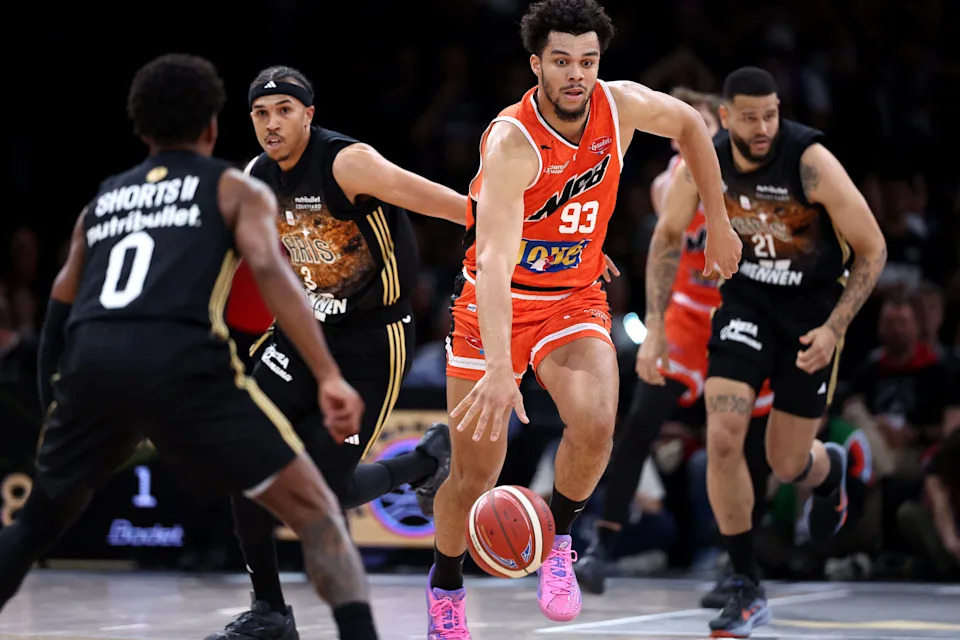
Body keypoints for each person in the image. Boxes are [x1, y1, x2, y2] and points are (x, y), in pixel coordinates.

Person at [0, 53, 380, 640]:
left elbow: (59, 306)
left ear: (141, 129)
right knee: (317, 514)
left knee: (31, 530)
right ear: (210, 126)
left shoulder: (101, 200)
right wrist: (328, 374)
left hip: (92, 365)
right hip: (183, 365)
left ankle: (268, 611)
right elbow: (274, 276)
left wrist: (58, 398)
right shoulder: (234, 187)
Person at [428, 1, 743, 636]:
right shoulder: (511, 142)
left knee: (598, 424)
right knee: (474, 475)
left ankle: (561, 545)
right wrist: (497, 366)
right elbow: (490, 262)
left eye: (588, 61)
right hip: (496, 302)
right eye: (563, 61)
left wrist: (722, 220)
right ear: (537, 64)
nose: (577, 74)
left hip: (572, 298)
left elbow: (689, 124)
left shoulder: (618, 105)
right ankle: (446, 585)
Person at [203, 65, 464, 640]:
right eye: (261, 114)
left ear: (308, 114)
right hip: (305, 333)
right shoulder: (256, 175)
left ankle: (423, 462)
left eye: (284, 111)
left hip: (374, 340)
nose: (272, 124)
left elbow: (454, 206)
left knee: (317, 495)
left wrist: (547, 244)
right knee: (246, 462)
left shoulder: (348, 163)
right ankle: (270, 611)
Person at [666, 66, 886, 637]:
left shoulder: (810, 163)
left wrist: (836, 327)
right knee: (722, 435)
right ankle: (745, 581)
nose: (763, 127)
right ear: (726, 117)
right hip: (745, 307)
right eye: (750, 117)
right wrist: (661, 322)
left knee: (787, 463)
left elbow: (872, 249)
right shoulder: (706, 160)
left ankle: (828, 467)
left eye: (771, 115)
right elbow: (666, 237)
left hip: (811, 316)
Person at [574, 88, 774, 606]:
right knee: (639, 421)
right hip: (684, 318)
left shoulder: (754, 176)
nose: (690, 137)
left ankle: (738, 563)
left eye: (701, 126)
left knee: (742, 445)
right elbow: (670, 203)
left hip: (740, 319)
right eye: (683, 130)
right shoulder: (675, 180)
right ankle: (603, 544)